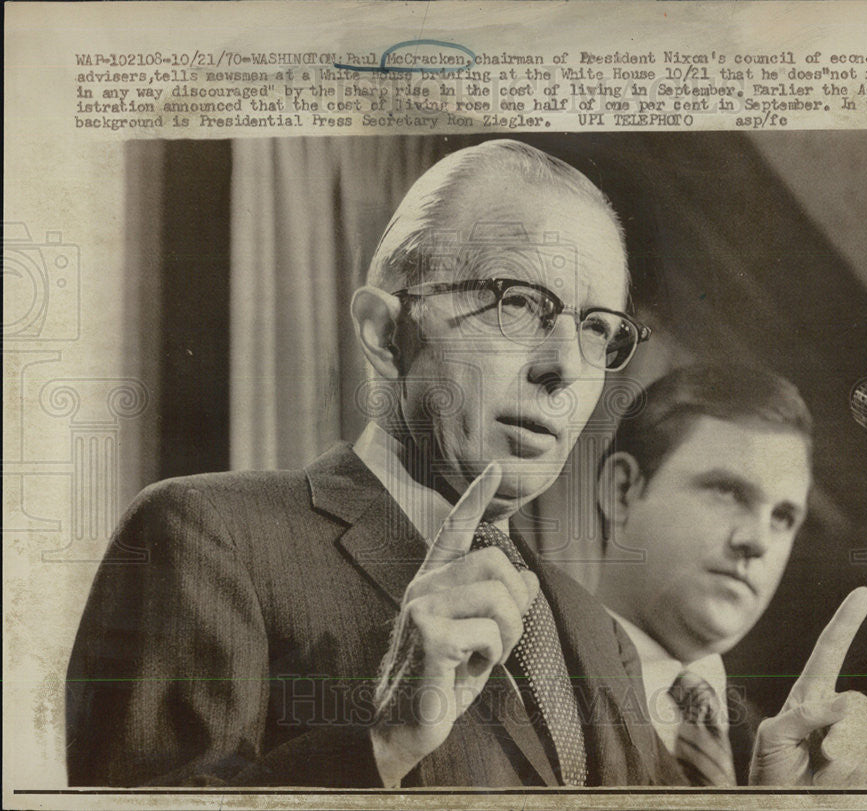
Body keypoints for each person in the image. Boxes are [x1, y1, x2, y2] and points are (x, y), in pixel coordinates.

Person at [65, 139, 682, 787]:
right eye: (519, 301)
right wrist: (385, 742)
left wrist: (784, 795)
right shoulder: (205, 535)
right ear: (386, 335)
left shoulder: (597, 633)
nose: (565, 367)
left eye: (596, 327)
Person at [595, 364, 867, 786]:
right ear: (622, 491)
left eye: (783, 517)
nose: (758, 541)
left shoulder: (781, 761)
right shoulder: (506, 673)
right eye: (727, 491)